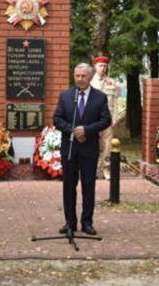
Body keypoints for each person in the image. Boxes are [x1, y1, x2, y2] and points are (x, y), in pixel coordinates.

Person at [53, 63, 112, 236]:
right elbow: (57, 119)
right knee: (69, 186)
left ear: (90, 77)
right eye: (77, 76)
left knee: (88, 186)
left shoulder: (100, 97)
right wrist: (73, 130)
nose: (79, 79)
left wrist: (86, 130)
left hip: (89, 148)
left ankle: (87, 222)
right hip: (70, 148)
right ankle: (69, 222)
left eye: (83, 76)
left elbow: (106, 120)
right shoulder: (65, 96)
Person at [90, 56, 120, 180]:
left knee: (107, 145)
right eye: (100, 66)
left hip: (107, 119)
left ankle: (106, 168)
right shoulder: (90, 82)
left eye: (105, 66)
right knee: (93, 144)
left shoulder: (111, 82)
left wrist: (115, 117)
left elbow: (115, 102)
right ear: (95, 67)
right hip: (93, 119)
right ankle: (94, 169)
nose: (103, 68)